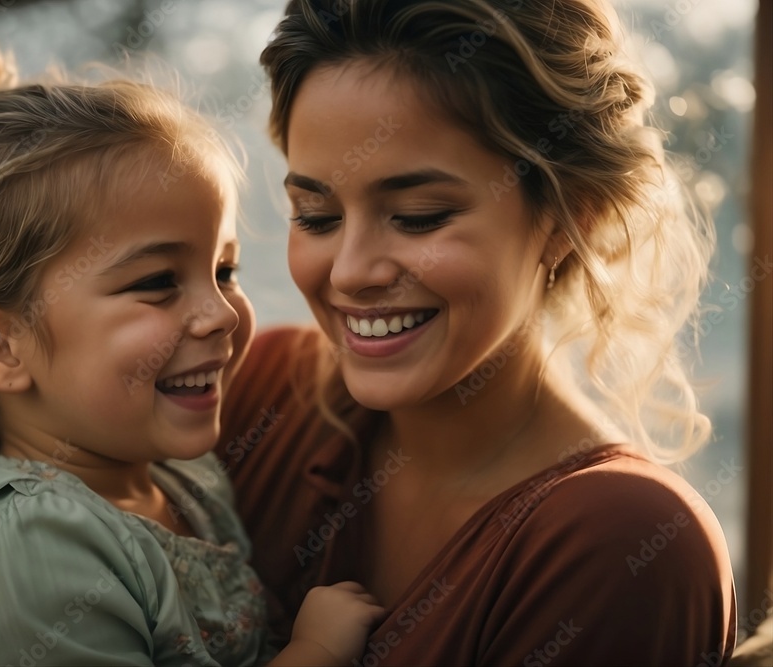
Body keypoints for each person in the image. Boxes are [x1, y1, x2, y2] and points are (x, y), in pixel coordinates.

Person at [0, 28, 384, 666]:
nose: (222, 313)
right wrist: (316, 651)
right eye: (158, 283)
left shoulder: (167, 469)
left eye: (225, 271)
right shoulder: (28, 544)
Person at [218, 0, 738, 664]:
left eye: (417, 215)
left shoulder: (624, 542)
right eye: (315, 214)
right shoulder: (257, 388)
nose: (349, 273)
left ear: (568, 212)